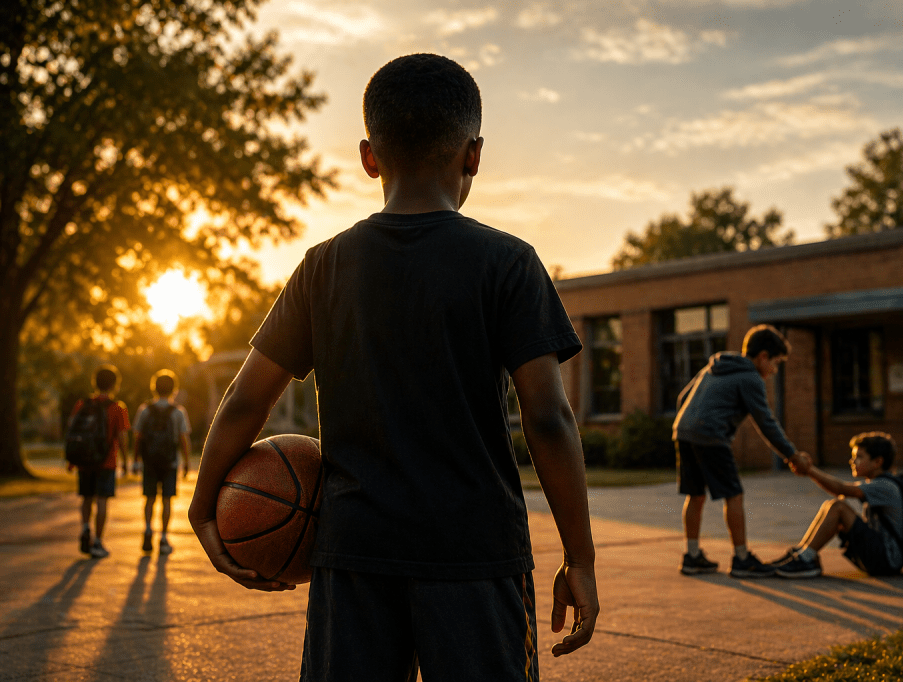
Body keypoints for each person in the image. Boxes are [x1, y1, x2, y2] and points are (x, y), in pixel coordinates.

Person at [189, 53, 598, 681]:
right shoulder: (508, 263)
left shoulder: (323, 267)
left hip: (356, 554)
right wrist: (581, 558)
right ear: (474, 155)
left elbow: (248, 399)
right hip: (475, 553)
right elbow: (548, 418)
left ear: (368, 156)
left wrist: (203, 504)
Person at [673, 324, 812, 579]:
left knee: (695, 494)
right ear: (763, 357)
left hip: (683, 431)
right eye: (776, 363)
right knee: (733, 495)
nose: (774, 370)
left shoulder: (713, 367)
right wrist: (792, 455)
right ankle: (742, 559)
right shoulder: (750, 378)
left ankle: (692, 556)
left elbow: (683, 398)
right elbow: (766, 423)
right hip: (711, 435)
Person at [775, 432, 903, 578]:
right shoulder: (879, 483)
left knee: (839, 507)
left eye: (859, 457)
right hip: (883, 557)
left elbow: (840, 489)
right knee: (830, 506)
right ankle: (801, 553)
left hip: (887, 559)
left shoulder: (885, 485)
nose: (852, 461)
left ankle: (806, 558)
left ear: (877, 462)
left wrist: (809, 470)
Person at [69, 364, 131, 558]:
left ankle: (85, 528)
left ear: (94, 382)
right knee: (102, 500)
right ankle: (98, 542)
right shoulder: (117, 407)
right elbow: (121, 437)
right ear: (114, 385)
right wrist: (125, 461)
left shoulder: (82, 404)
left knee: (86, 497)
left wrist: (72, 459)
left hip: (84, 461)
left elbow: (73, 431)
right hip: (106, 461)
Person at [133, 369, 191, 555]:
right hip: (170, 463)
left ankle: (148, 529)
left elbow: (138, 437)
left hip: (149, 462)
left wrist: (136, 460)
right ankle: (164, 537)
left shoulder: (145, 410)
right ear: (174, 389)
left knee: (149, 498)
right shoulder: (178, 412)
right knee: (167, 500)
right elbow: (183, 439)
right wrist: (187, 461)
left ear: (154, 388)